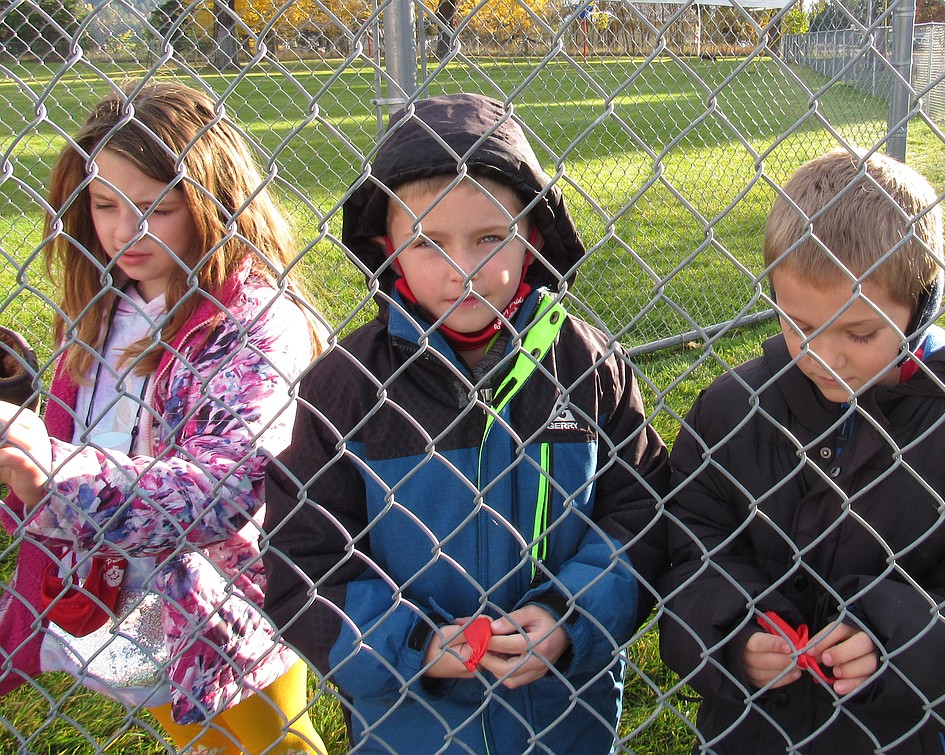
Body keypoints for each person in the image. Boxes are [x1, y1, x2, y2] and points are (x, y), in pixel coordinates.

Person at [262, 92, 669, 754]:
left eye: (489, 238)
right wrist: (414, 642)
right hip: (410, 726)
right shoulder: (346, 387)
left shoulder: (587, 366)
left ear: (532, 237)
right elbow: (304, 559)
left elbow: (643, 512)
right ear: (387, 246)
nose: (463, 271)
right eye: (428, 242)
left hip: (562, 723)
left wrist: (569, 615)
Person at [657, 147, 945, 753]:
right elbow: (688, 547)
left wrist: (894, 644)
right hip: (751, 733)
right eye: (798, 325)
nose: (824, 356)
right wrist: (733, 635)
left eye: (859, 332)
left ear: (919, 306)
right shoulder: (732, 411)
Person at [0, 81, 328, 755]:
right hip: (119, 602)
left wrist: (56, 476)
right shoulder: (104, 307)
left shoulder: (255, 323)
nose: (125, 231)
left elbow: (221, 488)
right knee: (197, 743)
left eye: (158, 207)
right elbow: (86, 427)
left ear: (213, 203)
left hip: (227, 607)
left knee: (279, 747)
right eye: (103, 204)